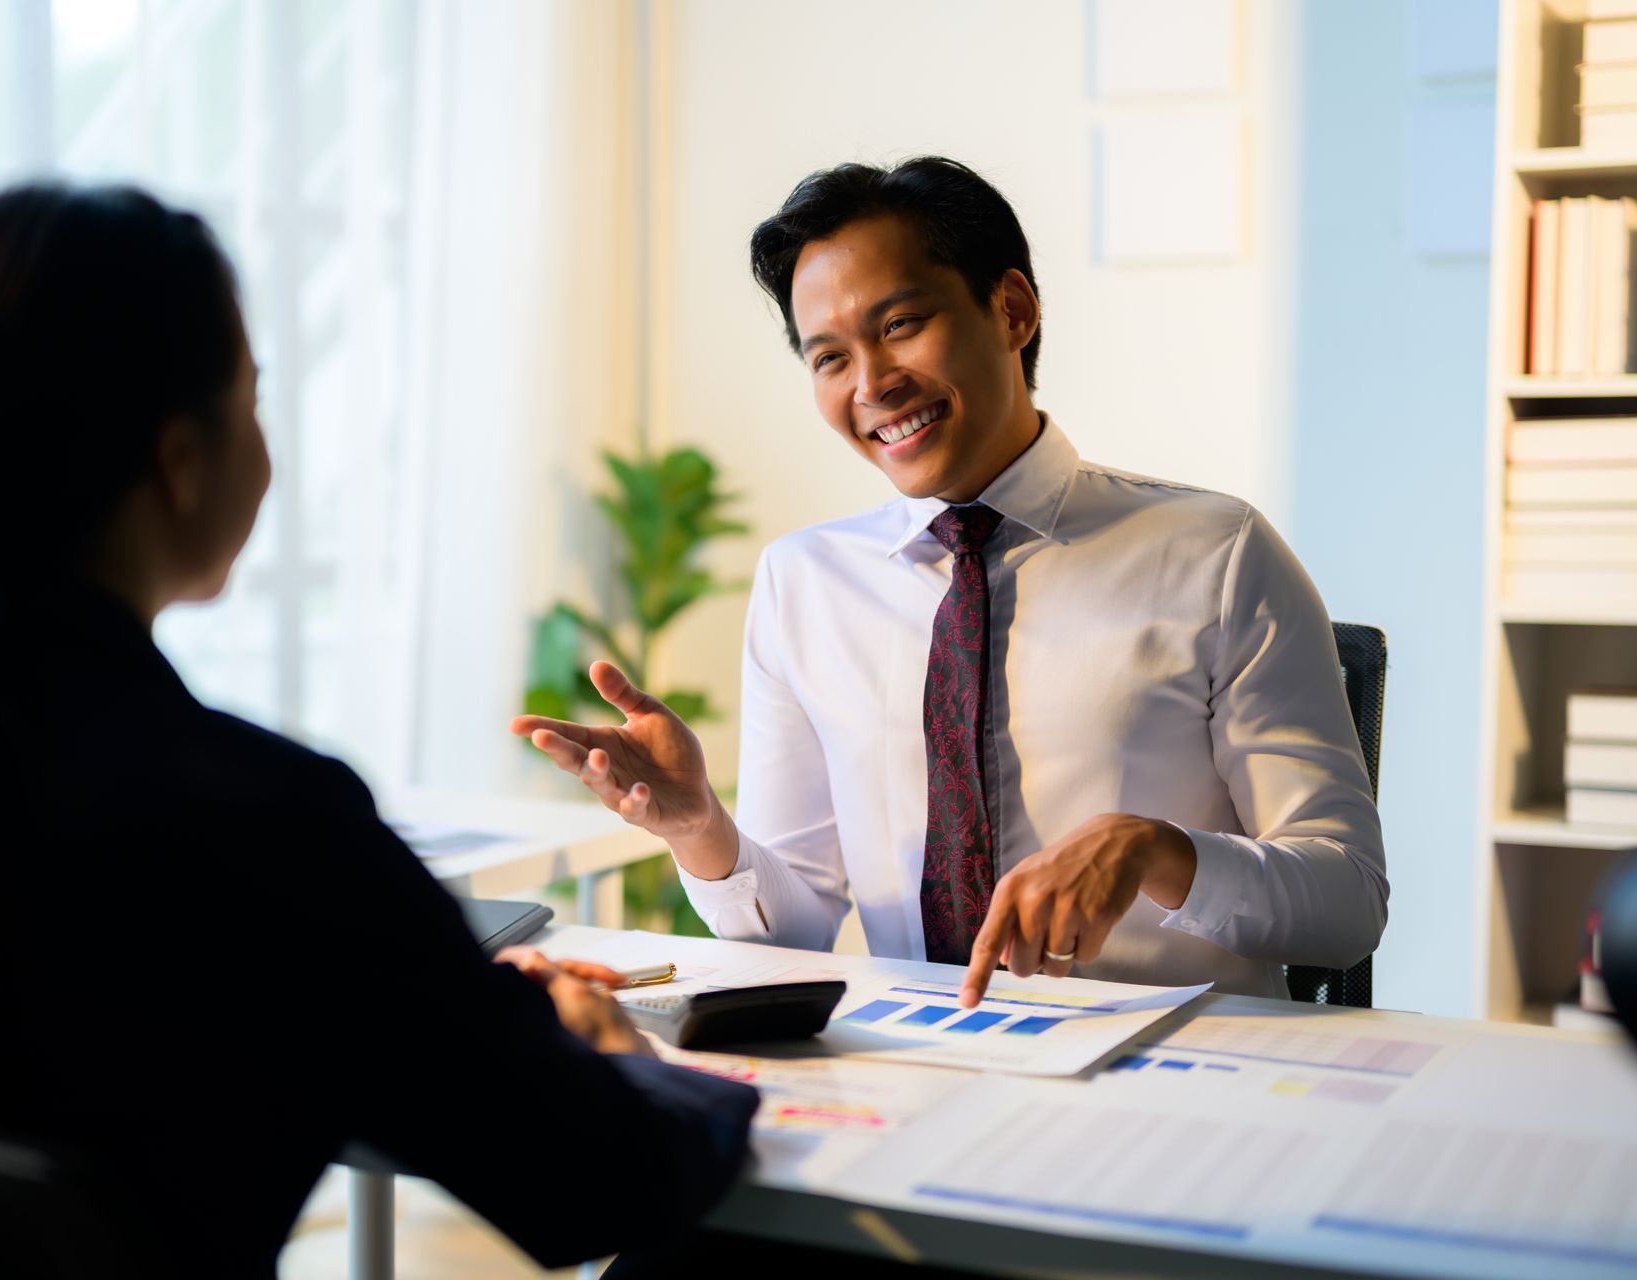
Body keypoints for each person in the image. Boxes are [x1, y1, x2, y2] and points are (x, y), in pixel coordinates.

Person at [0, 183, 756, 1277]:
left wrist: (440, 1000)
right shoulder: (257, 812)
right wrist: (607, 1050)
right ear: (180, 462)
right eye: (253, 399)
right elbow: (605, 1183)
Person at [514, 156, 1386, 1007]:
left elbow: (1347, 905)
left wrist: (1155, 851)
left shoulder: (1214, 552)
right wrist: (700, 830)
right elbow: (795, 934)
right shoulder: (804, 584)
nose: (873, 385)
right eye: (828, 358)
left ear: (1012, 310)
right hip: (930, 1058)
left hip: (1178, 1077)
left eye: (899, 326)